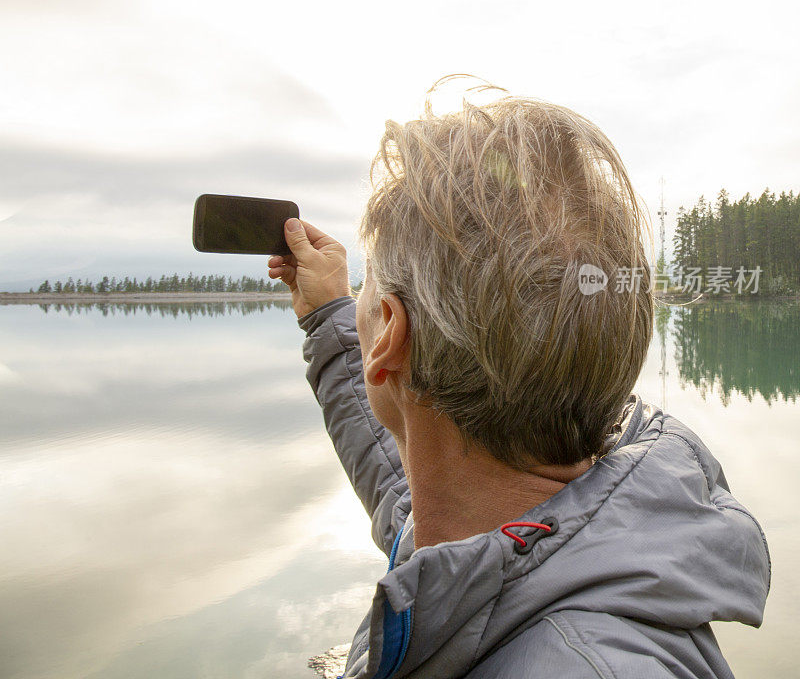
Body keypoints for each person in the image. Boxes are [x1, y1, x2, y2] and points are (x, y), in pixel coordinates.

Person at [267, 86, 770, 679]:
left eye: (367, 286)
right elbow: (395, 474)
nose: (359, 300)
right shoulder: (484, 523)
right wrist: (327, 315)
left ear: (391, 334)